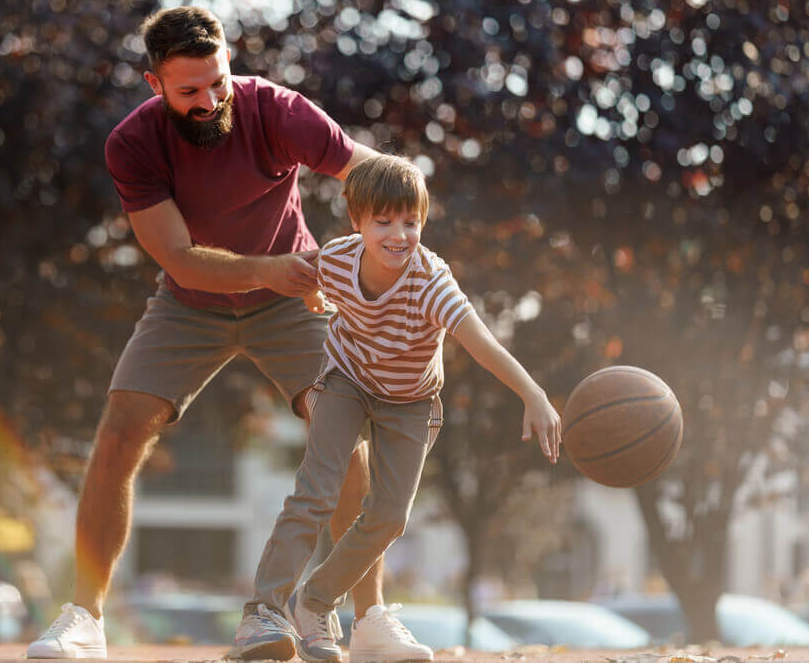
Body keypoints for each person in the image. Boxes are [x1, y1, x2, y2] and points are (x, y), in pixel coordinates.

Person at [28, 7, 429, 660]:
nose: (211, 100)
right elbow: (179, 257)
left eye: (218, 80)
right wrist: (275, 270)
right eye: (190, 91)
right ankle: (84, 621)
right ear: (155, 85)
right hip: (190, 301)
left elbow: (367, 168)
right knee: (120, 430)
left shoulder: (275, 110)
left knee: (343, 430)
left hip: (293, 303)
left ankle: (372, 619)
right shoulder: (132, 144)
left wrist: (394, 233)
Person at [231, 155, 562, 663]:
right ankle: (264, 612)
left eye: (410, 222)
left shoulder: (431, 281)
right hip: (345, 380)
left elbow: (481, 343)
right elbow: (301, 276)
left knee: (388, 517)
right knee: (316, 492)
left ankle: (315, 602)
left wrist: (533, 394)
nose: (398, 234)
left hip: (409, 401)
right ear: (357, 221)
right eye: (383, 221)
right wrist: (311, 296)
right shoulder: (338, 258)